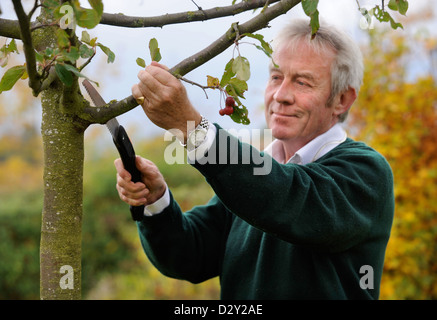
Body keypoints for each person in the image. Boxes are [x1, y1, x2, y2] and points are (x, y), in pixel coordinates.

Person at [115, 19, 394, 299]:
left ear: (342, 100)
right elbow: (189, 255)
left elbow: (285, 196)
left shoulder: (366, 172)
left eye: (302, 82)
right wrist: (156, 201)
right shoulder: (252, 180)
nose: (280, 95)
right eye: (275, 77)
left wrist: (192, 128)